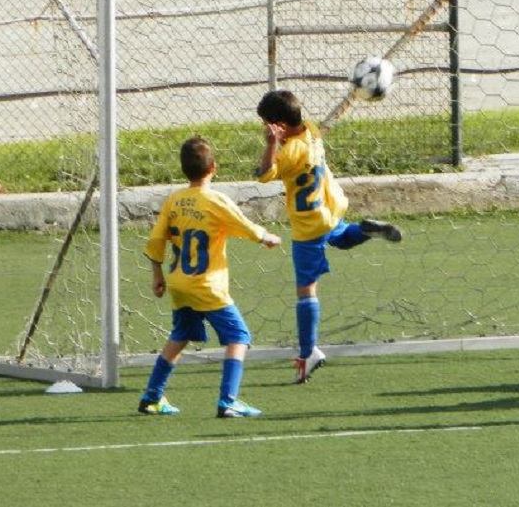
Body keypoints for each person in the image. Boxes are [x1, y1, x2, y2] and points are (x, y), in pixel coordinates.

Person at [255, 89, 403, 384]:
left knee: (306, 290)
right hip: (330, 208)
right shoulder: (311, 131)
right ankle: (366, 230)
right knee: (341, 237)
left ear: (279, 126)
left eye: (266, 125)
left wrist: (271, 144)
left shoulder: (291, 151)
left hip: (308, 225)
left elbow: (264, 174)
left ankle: (308, 352)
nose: (265, 130)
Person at [139, 136, 283, 418]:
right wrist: (266, 237)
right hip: (207, 286)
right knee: (239, 337)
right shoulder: (215, 200)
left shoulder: (174, 200)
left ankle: (152, 397)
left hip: (179, 282)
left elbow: (156, 239)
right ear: (213, 167)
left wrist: (157, 274)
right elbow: (242, 224)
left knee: (180, 336)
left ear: (184, 170)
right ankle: (228, 401)